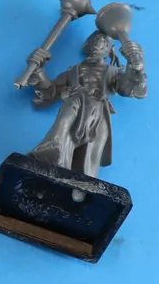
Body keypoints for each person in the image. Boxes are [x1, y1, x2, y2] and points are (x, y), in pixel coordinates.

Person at [26, 25, 147, 178]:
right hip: (75, 103)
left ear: (110, 50)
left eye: (103, 43)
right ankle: (53, 149)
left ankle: (80, 185)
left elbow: (125, 87)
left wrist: (134, 65)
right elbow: (50, 93)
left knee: (89, 160)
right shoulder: (73, 72)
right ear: (88, 46)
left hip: (97, 112)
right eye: (94, 41)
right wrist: (39, 71)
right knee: (64, 125)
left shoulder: (112, 72)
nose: (98, 45)